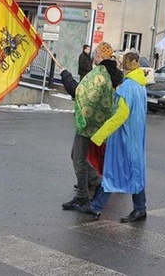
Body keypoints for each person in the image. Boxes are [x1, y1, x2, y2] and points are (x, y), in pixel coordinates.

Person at [78, 52, 149, 222]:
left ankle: (97, 207)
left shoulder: (128, 87)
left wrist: (100, 135)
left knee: (113, 171)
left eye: (125, 61)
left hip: (124, 137)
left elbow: (120, 115)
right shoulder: (141, 85)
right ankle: (140, 208)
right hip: (136, 137)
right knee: (134, 172)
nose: (123, 63)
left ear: (131, 63)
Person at [59, 41, 123, 211]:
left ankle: (82, 196)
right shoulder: (109, 74)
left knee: (78, 159)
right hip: (97, 123)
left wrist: (65, 76)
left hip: (88, 124)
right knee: (77, 155)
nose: (93, 56)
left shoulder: (98, 75)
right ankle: (96, 183)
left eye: (95, 53)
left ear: (99, 56)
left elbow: (80, 93)